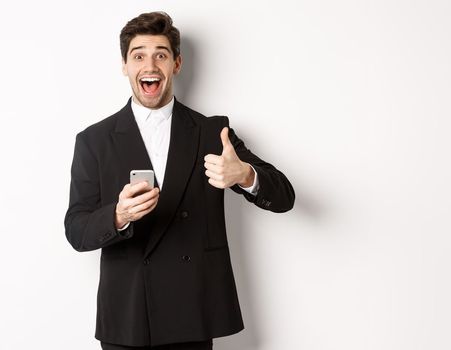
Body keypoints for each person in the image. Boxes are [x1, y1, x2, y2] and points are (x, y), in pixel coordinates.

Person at [64, 12, 295, 350]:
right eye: (138, 55)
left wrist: (246, 175)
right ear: (125, 66)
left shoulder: (212, 133)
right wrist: (118, 215)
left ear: (177, 63)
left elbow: (284, 196)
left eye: (161, 54)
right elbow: (76, 230)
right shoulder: (95, 141)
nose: (150, 64)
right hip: (128, 318)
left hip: (192, 313)